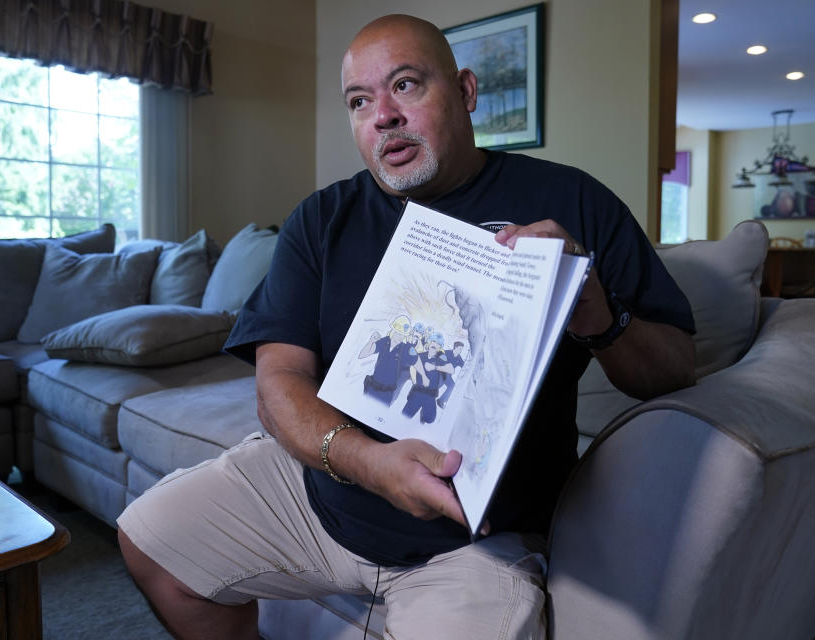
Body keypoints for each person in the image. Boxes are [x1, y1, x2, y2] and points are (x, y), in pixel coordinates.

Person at [117, 14, 696, 640]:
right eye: (360, 101)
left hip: (474, 538)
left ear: (466, 93)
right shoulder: (321, 218)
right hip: (321, 494)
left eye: (406, 85)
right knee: (150, 543)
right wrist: (367, 463)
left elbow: (673, 369)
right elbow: (278, 380)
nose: (382, 115)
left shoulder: (574, 202)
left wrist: (596, 314)